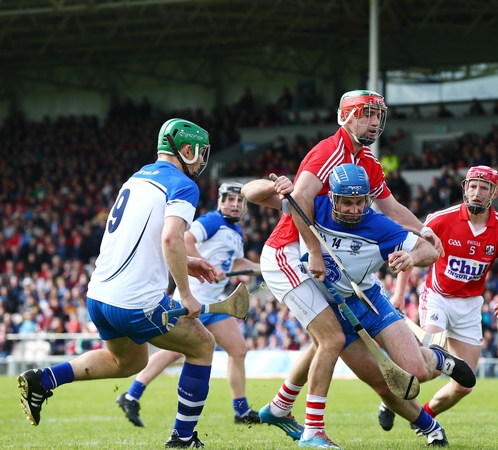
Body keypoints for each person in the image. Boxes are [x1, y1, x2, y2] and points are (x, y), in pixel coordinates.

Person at [241, 90, 442, 448]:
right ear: (345, 117)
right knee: (331, 338)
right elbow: (298, 200)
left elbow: (392, 208)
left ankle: (279, 406)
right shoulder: (328, 152)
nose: (375, 123)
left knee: (325, 338)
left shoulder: (364, 161)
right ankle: (312, 432)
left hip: (318, 260)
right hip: (289, 254)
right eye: (366, 115)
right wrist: (315, 251)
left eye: (379, 116)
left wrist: (423, 230)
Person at [17, 118, 218, 448]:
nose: (201, 161)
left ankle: (43, 380)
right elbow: (171, 238)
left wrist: (187, 260)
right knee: (202, 345)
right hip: (134, 301)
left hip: (98, 295)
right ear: (186, 150)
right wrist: (186, 293)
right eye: (200, 154)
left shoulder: (136, 178)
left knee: (129, 362)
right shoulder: (184, 184)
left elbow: (146, 238)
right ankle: (183, 439)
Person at [266, 163, 475, 448]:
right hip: (337, 314)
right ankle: (431, 429)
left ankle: (439, 358)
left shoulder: (378, 226)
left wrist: (411, 259)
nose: (354, 209)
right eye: (347, 203)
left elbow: (429, 250)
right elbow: (251, 193)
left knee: (418, 372)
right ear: (332, 197)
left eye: (359, 202)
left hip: (370, 302)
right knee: (385, 384)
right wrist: (277, 186)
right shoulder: (310, 207)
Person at [115, 180, 289, 427]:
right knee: (174, 351)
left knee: (238, 350)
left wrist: (266, 269)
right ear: (220, 201)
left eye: (239, 201)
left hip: (215, 305)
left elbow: (237, 264)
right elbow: (185, 240)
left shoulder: (236, 232)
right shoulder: (212, 221)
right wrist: (207, 263)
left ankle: (240, 411)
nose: (235, 204)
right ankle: (131, 395)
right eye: (230, 199)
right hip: (192, 301)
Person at [381, 165, 498, 432]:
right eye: (473, 186)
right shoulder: (441, 219)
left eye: (484, 188)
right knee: (432, 362)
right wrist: (399, 294)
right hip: (437, 298)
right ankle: (393, 400)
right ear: (465, 188)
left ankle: (424, 416)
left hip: (470, 306)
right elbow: (412, 253)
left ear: (494, 193)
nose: (477, 193)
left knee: (464, 384)